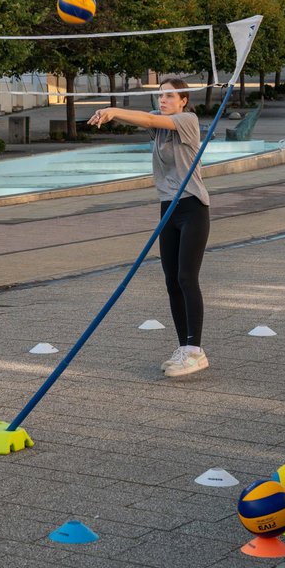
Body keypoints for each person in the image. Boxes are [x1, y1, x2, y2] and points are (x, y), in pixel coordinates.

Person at [88, 78, 210, 378]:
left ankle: (196, 351)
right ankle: (184, 348)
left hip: (192, 206)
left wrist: (113, 110)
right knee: (171, 280)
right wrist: (108, 114)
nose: (163, 99)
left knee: (186, 276)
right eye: (160, 95)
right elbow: (147, 121)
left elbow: (148, 117)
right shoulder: (159, 129)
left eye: (169, 95)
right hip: (168, 208)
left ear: (183, 100)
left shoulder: (187, 120)